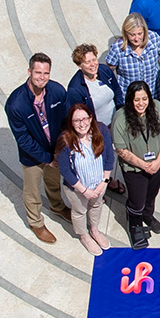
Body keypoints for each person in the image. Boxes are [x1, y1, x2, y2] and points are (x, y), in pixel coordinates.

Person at [4, 52, 64, 245]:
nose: (42, 77)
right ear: (29, 71)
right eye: (38, 72)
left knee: (54, 182)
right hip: (33, 156)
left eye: (46, 73)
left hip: (54, 150)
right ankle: (36, 222)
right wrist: (47, 158)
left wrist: (58, 151)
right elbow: (23, 139)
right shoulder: (16, 104)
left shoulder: (56, 91)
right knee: (32, 191)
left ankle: (57, 206)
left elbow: (65, 120)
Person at [112, 81, 160, 248]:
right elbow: (121, 149)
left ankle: (148, 215)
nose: (141, 103)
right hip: (134, 169)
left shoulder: (159, 108)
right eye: (136, 100)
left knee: (151, 194)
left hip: (158, 163)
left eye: (144, 99)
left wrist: (158, 161)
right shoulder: (120, 118)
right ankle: (135, 224)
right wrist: (143, 165)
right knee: (137, 200)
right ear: (130, 100)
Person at [55, 103, 112, 255]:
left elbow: (109, 157)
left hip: (99, 183)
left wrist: (104, 181)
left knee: (96, 206)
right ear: (71, 123)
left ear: (91, 118)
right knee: (79, 211)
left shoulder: (101, 131)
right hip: (77, 188)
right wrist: (84, 190)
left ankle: (94, 230)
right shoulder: (65, 140)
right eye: (77, 121)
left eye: (85, 119)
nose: (82, 124)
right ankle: (84, 235)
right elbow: (65, 170)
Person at [64, 43, 120, 194]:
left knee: (115, 153)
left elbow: (117, 91)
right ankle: (101, 185)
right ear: (79, 65)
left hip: (115, 122)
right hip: (97, 128)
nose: (92, 64)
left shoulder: (105, 71)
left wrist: (121, 114)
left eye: (94, 59)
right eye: (87, 62)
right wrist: (97, 129)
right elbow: (80, 115)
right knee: (100, 155)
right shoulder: (75, 88)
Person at [102, 13, 160, 100]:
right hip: (130, 98)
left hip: (153, 94)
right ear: (126, 33)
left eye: (140, 34)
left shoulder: (154, 39)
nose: (136, 38)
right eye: (132, 35)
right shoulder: (118, 48)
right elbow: (109, 70)